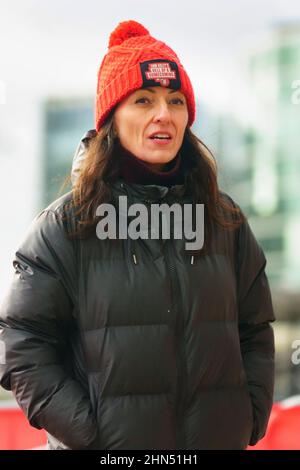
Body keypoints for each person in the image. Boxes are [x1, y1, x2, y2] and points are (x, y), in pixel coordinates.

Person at [0, 20, 275, 450]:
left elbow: (255, 329)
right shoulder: (63, 229)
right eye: (143, 100)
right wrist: (95, 438)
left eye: (175, 100)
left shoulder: (226, 222)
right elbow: (21, 346)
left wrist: (249, 418)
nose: (163, 114)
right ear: (112, 117)